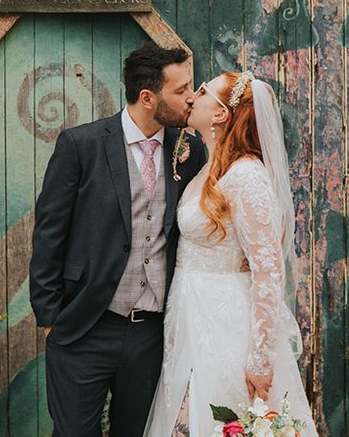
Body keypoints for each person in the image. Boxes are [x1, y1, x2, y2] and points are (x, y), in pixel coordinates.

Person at [29, 42, 206, 436]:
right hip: (85, 326)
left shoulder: (189, 150)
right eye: (181, 90)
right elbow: (48, 234)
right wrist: (50, 319)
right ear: (148, 97)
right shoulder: (81, 145)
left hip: (150, 335)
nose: (191, 98)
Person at [145, 71, 318, 436]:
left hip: (224, 324)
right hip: (189, 314)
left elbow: (268, 271)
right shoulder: (208, 168)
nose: (193, 97)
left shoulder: (247, 177)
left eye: (203, 91)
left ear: (222, 114)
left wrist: (260, 359)